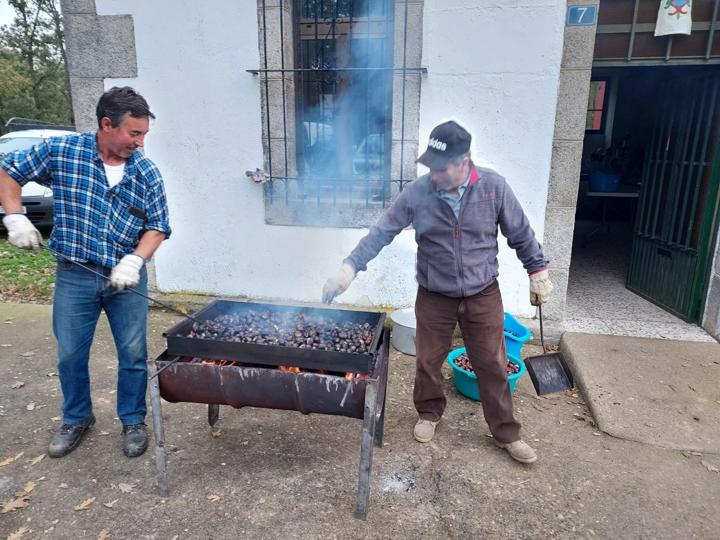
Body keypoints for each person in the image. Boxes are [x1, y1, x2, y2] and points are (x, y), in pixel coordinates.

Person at [322, 120, 552, 464]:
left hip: (482, 293)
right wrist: (350, 266)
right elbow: (382, 231)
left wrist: (538, 271)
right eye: (430, 166)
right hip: (434, 295)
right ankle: (429, 413)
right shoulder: (417, 193)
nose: (435, 175)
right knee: (427, 361)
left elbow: (520, 233)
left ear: (464, 161)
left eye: (441, 168)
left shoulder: (493, 187)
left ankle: (506, 431)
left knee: (492, 362)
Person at [0, 87, 171, 458]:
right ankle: (77, 418)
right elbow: (8, 171)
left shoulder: (146, 172)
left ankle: (132, 420)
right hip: (75, 275)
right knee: (70, 354)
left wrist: (136, 260)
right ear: (107, 124)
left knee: (132, 352)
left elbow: (157, 226)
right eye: (134, 133)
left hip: (125, 280)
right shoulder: (63, 152)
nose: (139, 143)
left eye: (143, 135)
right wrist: (14, 215)